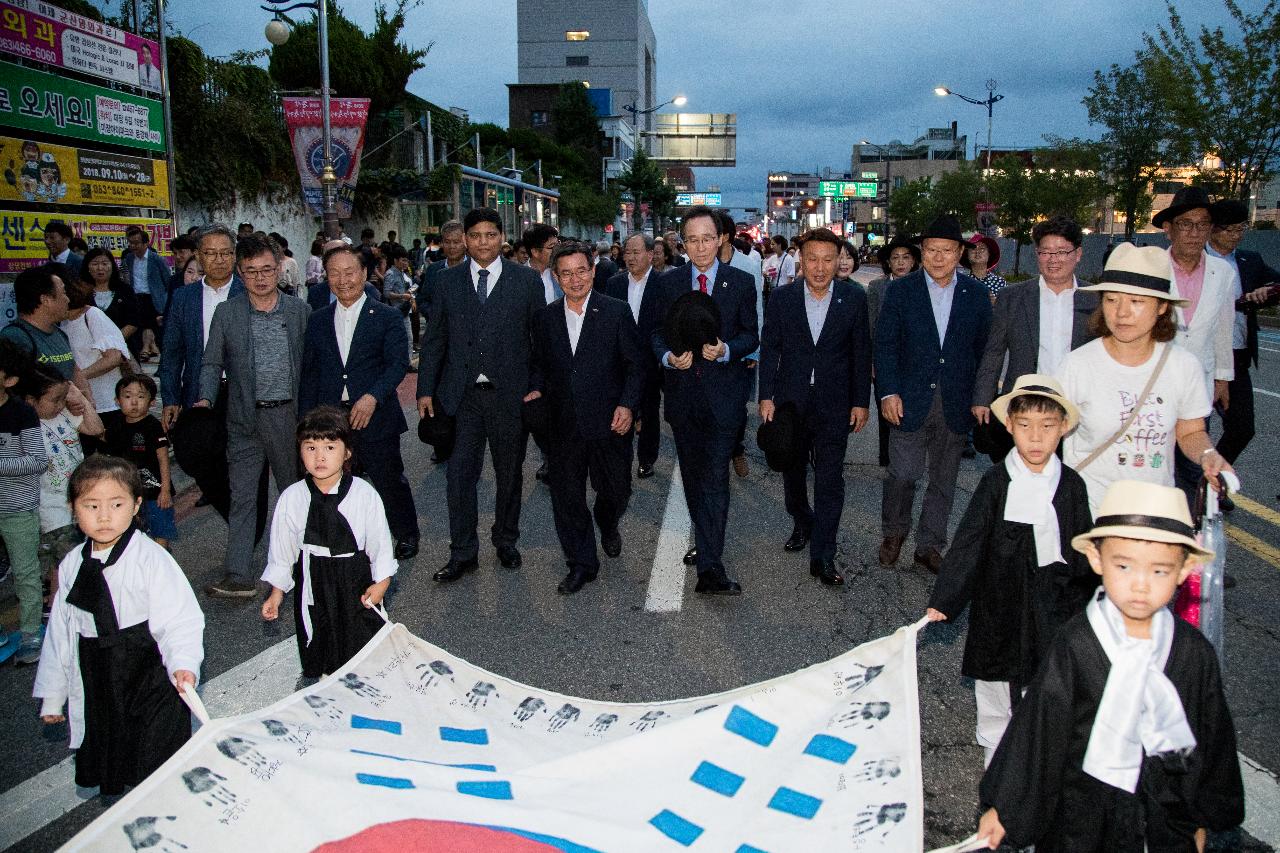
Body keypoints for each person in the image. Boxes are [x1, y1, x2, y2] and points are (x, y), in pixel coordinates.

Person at [975, 480, 1244, 852]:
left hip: (1162, 813)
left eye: (1159, 571)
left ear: (1183, 571)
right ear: (1098, 560)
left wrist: (1201, 816)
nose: (1140, 585)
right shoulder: (1077, 643)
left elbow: (1209, 733)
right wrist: (1005, 808)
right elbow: (1040, 730)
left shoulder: (1192, 653)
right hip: (1080, 810)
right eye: (1124, 566)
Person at [926, 375, 1094, 766]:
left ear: (1063, 428)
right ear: (1010, 426)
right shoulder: (997, 481)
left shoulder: (1071, 486)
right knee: (995, 685)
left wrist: (1092, 603)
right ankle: (995, 760)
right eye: (1025, 426)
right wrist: (946, 599)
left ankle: (1036, 769)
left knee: (1046, 686)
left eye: (1047, 427)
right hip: (999, 602)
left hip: (1052, 605)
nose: (1035, 438)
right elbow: (970, 542)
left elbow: (1084, 549)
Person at [33, 454, 204, 797]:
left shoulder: (150, 558)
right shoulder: (70, 567)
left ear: (136, 504)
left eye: (116, 504)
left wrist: (184, 663)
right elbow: (61, 636)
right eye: (91, 506)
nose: (105, 516)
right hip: (99, 672)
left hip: (149, 668)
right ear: (73, 508)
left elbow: (179, 619)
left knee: (158, 756)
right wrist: (53, 695)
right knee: (119, 754)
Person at [1057, 243, 1231, 514]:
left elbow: (1191, 431)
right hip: (1089, 513)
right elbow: (1050, 430)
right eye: (1111, 299)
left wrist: (1208, 455)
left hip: (1154, 514)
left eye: (1136, 301)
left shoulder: (1183, 367)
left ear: (1162, 306)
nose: (1122, 312)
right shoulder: (1077, 365)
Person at [418, 208, 544, 581]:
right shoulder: (446, 281)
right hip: (461, 397)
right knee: (459, 476)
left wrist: (537, 386)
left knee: (509, 474)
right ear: (465, 239)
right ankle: (462, 552)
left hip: (510, 395)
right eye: (475, 236)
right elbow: (435, 339)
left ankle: (506, 540)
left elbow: (538, 340)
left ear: (502, 238)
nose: (483, 242)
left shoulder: (526, 281)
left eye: (491, 235)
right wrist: (425, 389)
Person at [651, 205, 758, 595]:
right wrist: (667, 357)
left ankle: (711, 567)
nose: (700, 247)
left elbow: (752, 335)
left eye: (707, 238)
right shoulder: (667, 283)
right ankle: (707, 541)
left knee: (714, 478)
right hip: (682, 399)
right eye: (692, 240)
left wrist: (728, 349)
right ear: (683, 242)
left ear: (721, 239)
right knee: (696, 479)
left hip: (723, 400)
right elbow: (654, 335)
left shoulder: (741, 283)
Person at [875, 215, 992, 574]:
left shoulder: (975, 295)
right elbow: (886, 345)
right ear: (921, 252)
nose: (938, 257)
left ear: (960, 253)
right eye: (931, 250)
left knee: (943, 480)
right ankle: (894, 532)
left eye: (946, 251)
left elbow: (984, 350)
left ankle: (929, 545)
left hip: (955, 401)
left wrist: (981, 395)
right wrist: (888, 391)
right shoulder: (901, 290)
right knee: (903, 474)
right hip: (908, 398)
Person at [197, 233, 311, 596]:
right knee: (243, 497)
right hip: (244, 419)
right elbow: (212, 362)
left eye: (266, 269)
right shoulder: (226, 313)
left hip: (288, 418)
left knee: (294, 494)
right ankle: (238, 573)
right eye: (251, 271)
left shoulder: (299, 312)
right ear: (240, 274)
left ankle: (303, 566)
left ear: (279, 268)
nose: (261, 278)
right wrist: (204, 399)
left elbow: (312, 363)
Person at [757, 228, 871, 586]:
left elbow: (860, 352)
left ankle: (824, 555)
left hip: (834, 404)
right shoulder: (783, 298)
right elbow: (770, 348)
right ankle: (802, 519)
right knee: (792, 470)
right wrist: (765, 396)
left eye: (827, 259)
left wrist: (860, 402)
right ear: (800, 260)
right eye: (812, 259)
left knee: (830, 478)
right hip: (791, 403)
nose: (820, 267)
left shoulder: (854, 298)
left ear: (839, 260)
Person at [531, 243, 645, 594]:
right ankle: (581, 563)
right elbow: (538, 365)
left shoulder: (616, 312)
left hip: (610, 423)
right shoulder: (545, 319)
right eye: (566, 273)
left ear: (593, 271)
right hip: (562, 425)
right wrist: (533, 391)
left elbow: (636, 366)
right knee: (566, 497)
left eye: (581, 271)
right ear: (556, 276)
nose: (575, 279)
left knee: (616, 491)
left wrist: (627, 405)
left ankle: (607, 522)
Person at [301, 244, 418, 558]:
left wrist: (372, 397)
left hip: (374, 413)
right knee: (333, 480)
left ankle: (406, 532)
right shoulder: (318, 320)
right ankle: (343, 538)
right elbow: (310, 371)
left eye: (349, 272)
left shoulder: (386, 317)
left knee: (388, 477)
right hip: (330, 416)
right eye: (334, 273)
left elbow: (397, 364)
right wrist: (307, 422)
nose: (342, 280)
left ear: (364, 273)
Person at [261, 406, 395, 679]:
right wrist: (276, 592)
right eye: (310, 448)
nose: (319, 456)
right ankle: (328, 686)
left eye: (330, 447)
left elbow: (380, 542)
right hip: (313, 577)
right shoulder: (293, 497)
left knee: (361, 640)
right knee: (320, 637)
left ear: (346, 452)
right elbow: (282, 550)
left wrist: (382, 583)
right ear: (300, 451)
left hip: (354, 577)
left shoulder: (363, 494)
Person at [160, 225, 261, 537]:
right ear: (198, 257)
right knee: (197, 458)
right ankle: (239, 518)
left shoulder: (251, 291)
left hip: (245, 392)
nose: (219, 260)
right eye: (210, 253)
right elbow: (172, 352)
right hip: (201, 394)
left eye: (226, 253)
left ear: (235, 255)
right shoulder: (183, 298)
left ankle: (248, 529)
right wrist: (171, 397)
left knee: (249, 462)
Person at [972, 216, 1099, 460]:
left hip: (1077, 409)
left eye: (1062, 251)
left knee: (1070, 484)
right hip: (1024, 407)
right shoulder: (1013, 297)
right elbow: (994, 351)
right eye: (1045, 252)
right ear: (1037, 254)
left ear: (1078, 253)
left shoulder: (1095, 300)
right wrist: (982, 398)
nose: (1053, 259)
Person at [1152, 187, 1237, 505]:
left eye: (1202, 224)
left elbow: (1223, 327)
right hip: (1152, 383)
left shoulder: (1223, 273)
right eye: (1186, 223)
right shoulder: (1151, 266)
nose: (1194, 232)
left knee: (1191, 465)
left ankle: (1186, 533)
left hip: (1197, 385)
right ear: (1168, 229)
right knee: (1152, 464)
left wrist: (1222, 377)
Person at [22, 367, 103, 610]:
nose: (59, 404)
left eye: (62, 397)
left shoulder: (66, 414)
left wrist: (78, 397)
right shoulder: (24, 424)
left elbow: (96, 428)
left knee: (63, 562)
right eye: (54, 399)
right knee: (68, 556)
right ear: (30, 400)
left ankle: (58, 606)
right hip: (48, 504)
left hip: (76, 499)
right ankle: (60, 607)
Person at [1206, 199, 1279, 469]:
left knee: (1242, 428)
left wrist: (1266, 293)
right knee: (1191, 427)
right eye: (1230, 230)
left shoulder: (1250, 261)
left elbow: (1277, 283)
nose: (1236, 236)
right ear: (1213, 229)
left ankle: (1212, 482)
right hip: (1201, 355)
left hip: (1237, 356)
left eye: (1241, 229)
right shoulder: (1197, 259)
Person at [0, 339, 48, 665]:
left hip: (18, 508)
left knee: (26, 573)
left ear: (10, 380)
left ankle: (30, 632)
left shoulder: (21, 413)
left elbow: (37, 461)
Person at [604, 233, 665, 478]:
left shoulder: (664, 284)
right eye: (627, 252)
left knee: (649, 411)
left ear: (650, 255)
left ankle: (647, 458)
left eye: (636, 252)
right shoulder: (614, 283)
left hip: (651, 360)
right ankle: (621, 457)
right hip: (621, 361)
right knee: (621, 407)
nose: (630, 257)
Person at [102, 375, 175, 550]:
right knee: (134, 535)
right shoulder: (115, 427)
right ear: (117, 401)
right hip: (128, 494)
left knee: (160, 532)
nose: (134, 402)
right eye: (127, 397)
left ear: (151, 402)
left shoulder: (153, 426)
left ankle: (161, 563)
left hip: (155, 493)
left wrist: (165, 490)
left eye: (141, 397)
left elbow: (163, 459)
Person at [867, 236, 921, 469]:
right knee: (885, 410)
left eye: (906, 257)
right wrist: (871, 360)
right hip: (884, 358)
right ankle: (887, 457)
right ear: (888, 262)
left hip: (914, 360)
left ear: (914, 261)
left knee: (912, 408)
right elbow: (871, 325)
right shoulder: (877, 287)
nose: (900, 262)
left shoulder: (922, 286)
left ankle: (909, 457)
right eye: (895, 258)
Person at [1, 265, 92, 401]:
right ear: (46, 300)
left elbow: (74, 370)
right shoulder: (14, 338)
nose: (68, 299)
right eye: (64, 292)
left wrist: (87, 400)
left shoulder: (59, 333)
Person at [61, 277, 128, 414]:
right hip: (81, 401)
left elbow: (114, 357)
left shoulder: (92, 315)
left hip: (107, 401)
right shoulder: (63, 323)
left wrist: (80, 376)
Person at [121, 226, 169, 361]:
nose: (133, 246)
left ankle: (149, 347)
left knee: (151, 324)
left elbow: (166, 280)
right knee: (140, 324)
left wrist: (164, 298)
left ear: (145, 243)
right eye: (130, 243)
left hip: (153, 298)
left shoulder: (156, 259)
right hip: (136, 296)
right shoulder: (128, 259)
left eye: (136, 243)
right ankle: (148, 347)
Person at [80, 248, 140, 355]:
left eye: (104, 263)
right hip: (89, 350)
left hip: (122, 349)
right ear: (88, 267)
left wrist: (112, 342)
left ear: (112, 266)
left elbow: (133, 322)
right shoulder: (81, 292)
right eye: (95, 264)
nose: (100, 268)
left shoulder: (125, 290)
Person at [418, 220, 467, 327]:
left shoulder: (476, 269)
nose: (452, 246)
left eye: (456, 242)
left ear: (465, 242)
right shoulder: (433, 270)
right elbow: (422, 300)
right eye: (447, 242)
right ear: (442, 243)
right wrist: (436, 316)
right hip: (438, 332)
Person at [962, 234, 1007, 301]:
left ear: (989, 254)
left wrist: (995, 304)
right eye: (973, 248)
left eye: (982, 249)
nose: (977, 252)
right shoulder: (961, 283)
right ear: (967, 256)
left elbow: (1007, 308)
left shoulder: (1000, 282)